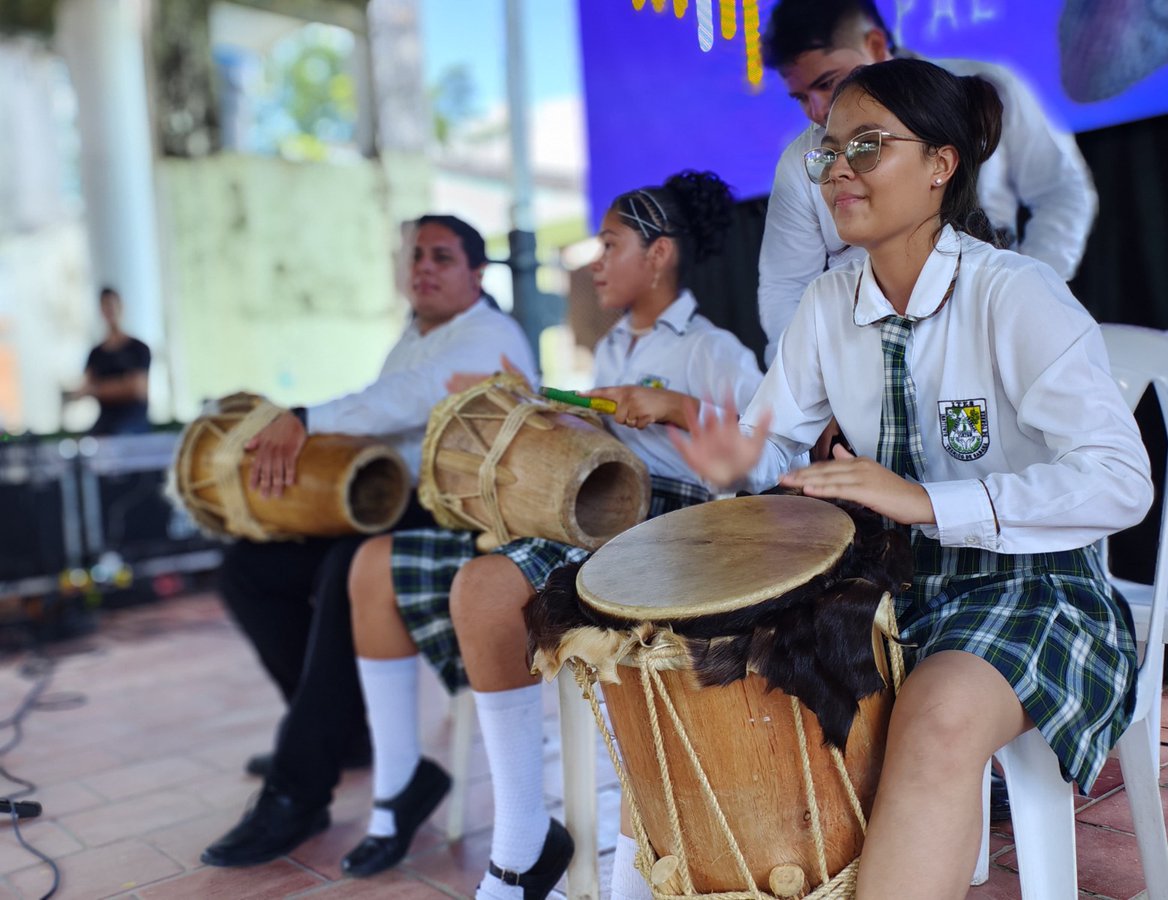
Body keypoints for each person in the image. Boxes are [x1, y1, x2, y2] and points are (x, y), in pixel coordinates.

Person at [669, 59, 1152, 898]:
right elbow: (773, 444)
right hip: (894, 586)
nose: (839, 171)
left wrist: (930, 502)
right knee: (725, 679)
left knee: (935, 714)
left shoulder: (1015, 294)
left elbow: (1120, 481)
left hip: (1037, 588)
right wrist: (745, 464)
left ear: (941, 163)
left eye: (868, 146)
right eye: (827, 153)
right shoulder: (825, 306)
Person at [338, 171, 764, 899]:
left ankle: (607, 855)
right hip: (600, 510)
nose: (595, 261)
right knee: (479, 586)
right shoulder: (611, 351)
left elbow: (767, 461)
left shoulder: (712, 351)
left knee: (546, 614)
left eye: (610, 244)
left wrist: (680, 408)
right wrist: (540, 410)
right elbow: (596, 447)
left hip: (676, 528)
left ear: (658, 256)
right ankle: (522, 837)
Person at [201, 214, 537, 868]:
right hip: (399, 507)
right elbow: (385, 409)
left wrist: (305, 419)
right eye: (416, 255)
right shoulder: (412, 336)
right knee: (249, 569)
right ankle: (337, 732)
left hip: (465, 523)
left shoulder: (488, 335)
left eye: (442, 257)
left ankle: (299, 788)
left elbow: (403, 400)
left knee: (345, 567)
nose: (424, 267)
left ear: (476, 273)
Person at [756, 0, 1099, 363]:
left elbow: (1061, 192)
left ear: (942, 164)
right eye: (800, 97)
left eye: (828, 83)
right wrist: (809, 386)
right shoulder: (801, 165)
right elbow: (786, 287)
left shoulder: (984, 91)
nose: (817, 110)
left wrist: (1034, 294)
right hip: (873, 359)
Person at [76, 287, 152, 435]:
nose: (110, 310)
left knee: (120, 436)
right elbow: (83, 389)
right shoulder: (95, 354)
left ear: (121, 306)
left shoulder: (139, 348)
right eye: (105, 306)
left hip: (133, 422)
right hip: (105, 422)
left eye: (112, 305)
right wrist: (121, 384)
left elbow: (137, 389)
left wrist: (97, 388)